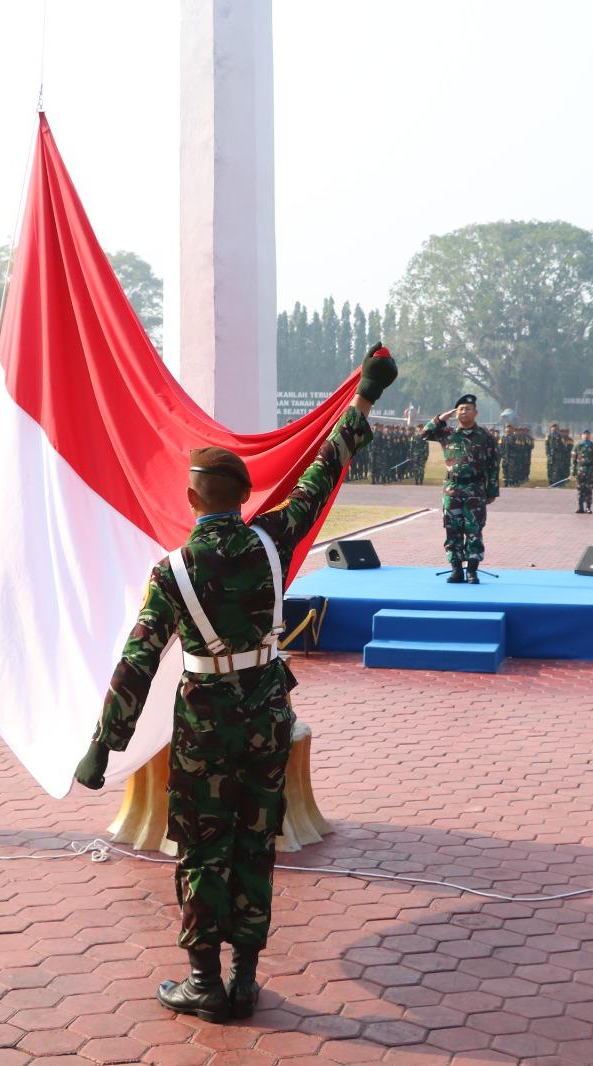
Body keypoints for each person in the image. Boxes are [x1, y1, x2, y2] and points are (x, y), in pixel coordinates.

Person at [74, 343, 396, 1023]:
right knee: (256, 839)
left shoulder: (174, 572)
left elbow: (136, 663)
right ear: (245, 496)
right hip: (265, 714)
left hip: (205, 721)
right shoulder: (274, 540)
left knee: (201, 847)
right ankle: (246, 977)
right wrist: (364, 398)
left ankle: (204, 981)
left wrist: (104, 746)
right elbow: (326, 467)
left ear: (193, 497)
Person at [420, 394, 500, 583]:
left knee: (474, 530)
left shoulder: (485, 436)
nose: (464, 412)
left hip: (475, 489)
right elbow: (424, 434)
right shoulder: (447, 433)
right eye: (460, 409)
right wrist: (442, 418)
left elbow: (493, 464)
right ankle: (456, 569)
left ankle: (472, 570)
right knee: (452, 530)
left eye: (468, 409)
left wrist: (492, 491)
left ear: (476, 412)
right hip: (452, 489)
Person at [571, 429, 593, 513]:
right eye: (584, 434)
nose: (586, 436)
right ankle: (580, 507)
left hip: (589, 470)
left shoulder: (592, 445)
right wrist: (572, 472)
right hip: (580, 470)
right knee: (580, 489)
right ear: (581, 435)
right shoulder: (577, 445)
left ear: (590, 435)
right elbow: (573, 460)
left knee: (588, 489)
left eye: (587, 434)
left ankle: (588, 507)